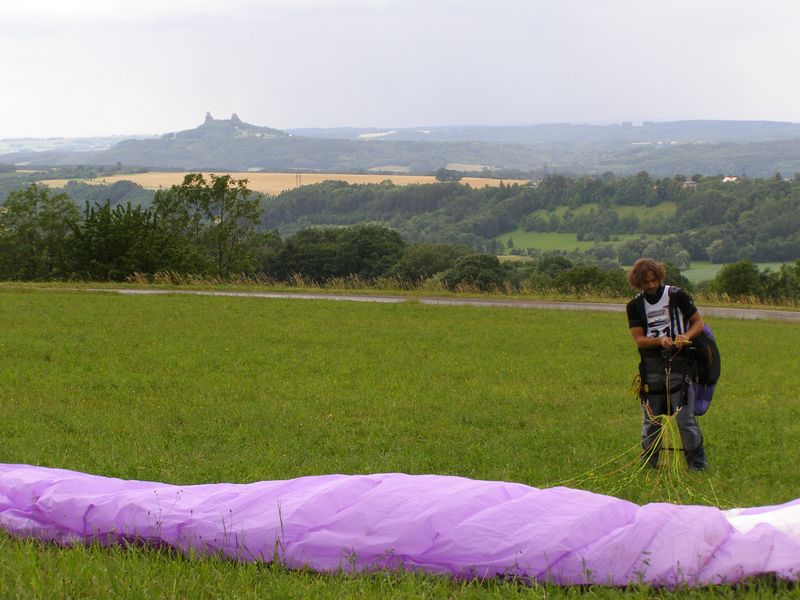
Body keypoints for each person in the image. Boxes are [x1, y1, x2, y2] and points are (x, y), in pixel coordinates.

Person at [626, 258, 708, 471]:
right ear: (639, 283)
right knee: (651, 421)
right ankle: (650, 465)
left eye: (654, 280)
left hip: (681, 365)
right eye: (646, 283)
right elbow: (640, 340)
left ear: (659, 276)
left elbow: (698, 322)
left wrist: (685, 336)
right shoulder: (634, 306)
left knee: (685, 420)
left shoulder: (677, 295)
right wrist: (659, 341)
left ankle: (697, 466)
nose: (651, 285)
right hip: (651, 368)